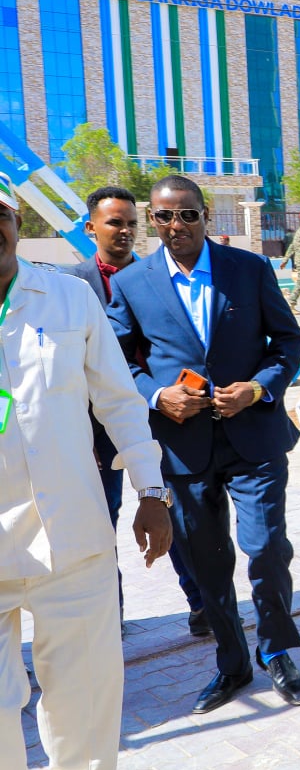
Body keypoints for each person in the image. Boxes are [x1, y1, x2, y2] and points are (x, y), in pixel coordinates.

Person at [0, 168, 174, 770]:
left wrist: (151, 491)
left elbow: (119, 400)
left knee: (84, 689)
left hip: (72, 532)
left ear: (15, 223)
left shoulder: (68, 298)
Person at [107, 176, 300, 715]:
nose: (176, 226)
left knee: (266, 547)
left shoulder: (249, 269)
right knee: (207, 560)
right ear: (153, 220)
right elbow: (116, 360)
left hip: (254, 438)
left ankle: (276, 650)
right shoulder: (132, 284)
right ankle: (232, 662)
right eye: (164, 216)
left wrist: (258, 388)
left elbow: (289, 341)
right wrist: (158, 396)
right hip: (182, 447)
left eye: (188, 215)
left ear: (206, 216)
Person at [67, 186, 207, 633]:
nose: (125, 231)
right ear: (91, 228)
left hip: (162, 419)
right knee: (101, 522)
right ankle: (111, 616)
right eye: (115, 222)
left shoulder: (159, 277)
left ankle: (202, 604)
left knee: (175, 513)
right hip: (98, 431)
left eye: (131, 223)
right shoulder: (69, 287)